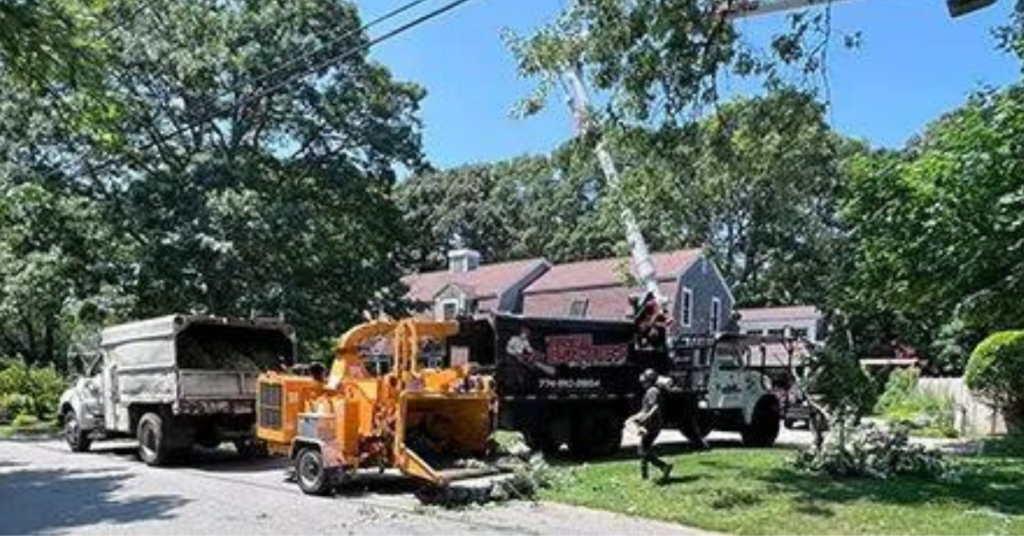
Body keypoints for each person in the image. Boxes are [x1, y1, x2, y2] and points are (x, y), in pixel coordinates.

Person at [628, 368, 673, 481]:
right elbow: (646, 408)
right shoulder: (652, 390)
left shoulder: (653, 391)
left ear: (649, 380)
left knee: (642, 450)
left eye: (644, 380)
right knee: (643, 449)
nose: (642, 382)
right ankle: (645, 476)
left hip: (652, 425)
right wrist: (636, 417)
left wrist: (645, 419)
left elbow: (655, 407)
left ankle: (664, 466)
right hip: (651, 424)